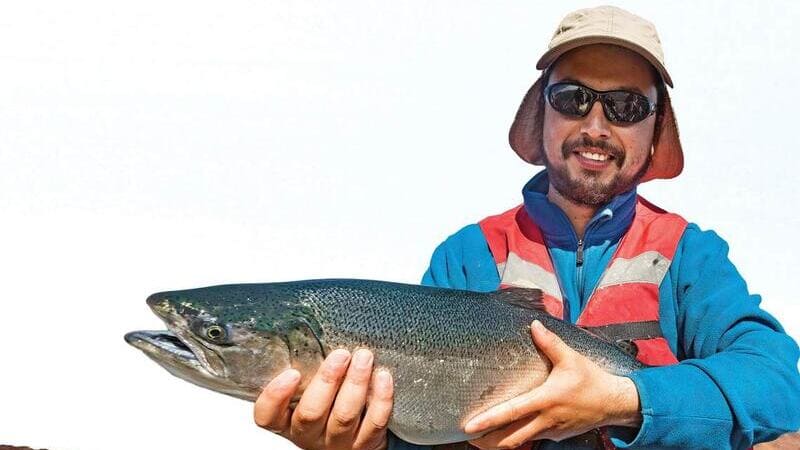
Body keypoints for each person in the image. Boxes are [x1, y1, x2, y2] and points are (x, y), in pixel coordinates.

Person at [251, 6, 800, 450]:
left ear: (656, 130)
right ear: (542, 115)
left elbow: (779, 386)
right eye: (573, 98)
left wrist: (621, 399)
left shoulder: (691, 256)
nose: (595, 125)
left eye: (627, 106)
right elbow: (420, 432)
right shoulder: (466, 255)